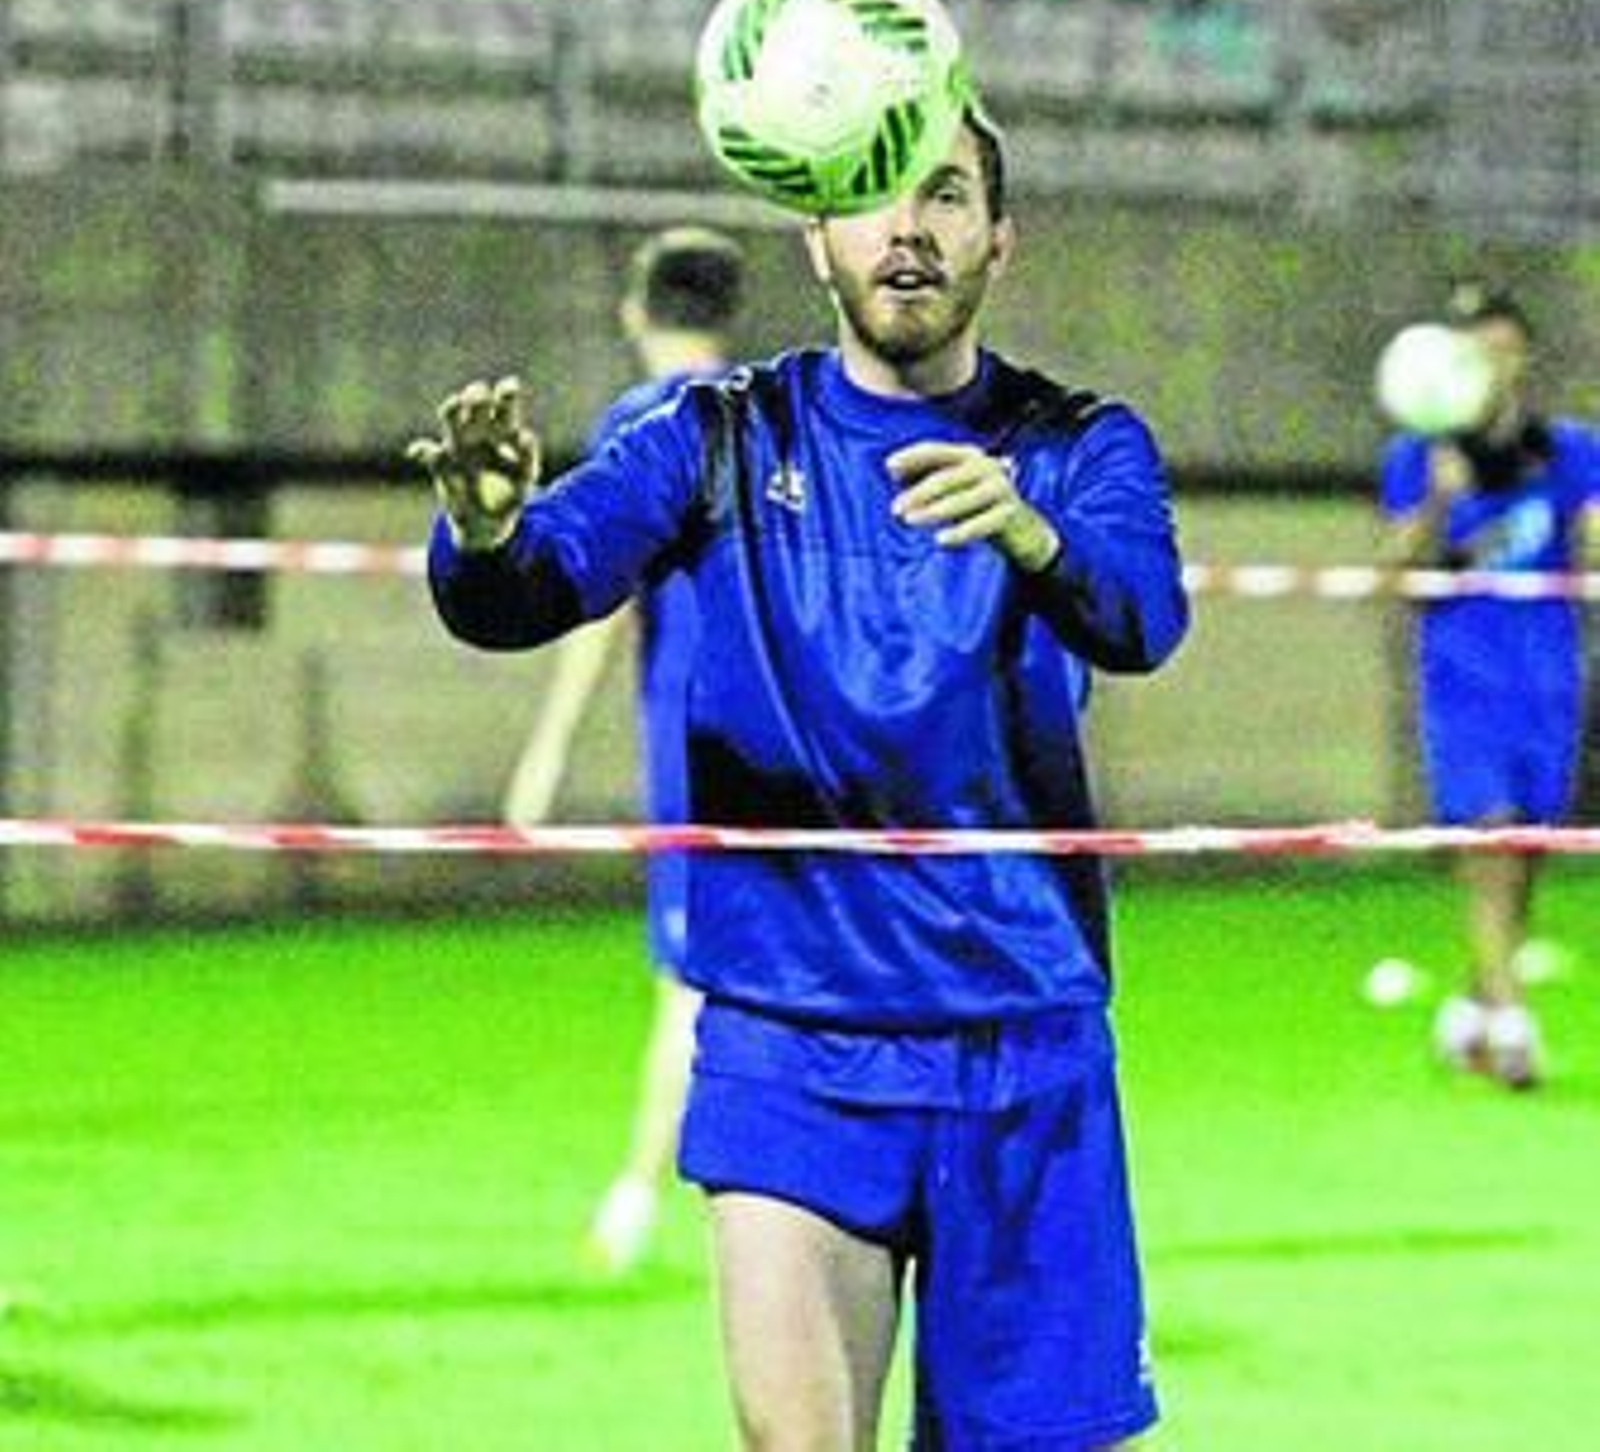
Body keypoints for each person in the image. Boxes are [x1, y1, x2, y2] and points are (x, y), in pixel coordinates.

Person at [410, 99, 1188, 1451]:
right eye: (877, 200)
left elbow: (1142, 617)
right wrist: (483, 539)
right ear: (818, 236)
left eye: (946, 197)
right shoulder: (710, 436)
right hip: (792, 1040)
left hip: (1025, 1041)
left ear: (1000, 241)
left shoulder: (1081, 444)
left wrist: (1033, 536)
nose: (910, 230)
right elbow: (536, 586)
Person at [502, 226, 742, 1275]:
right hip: (807, 746)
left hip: (695, 750)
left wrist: (544, 753)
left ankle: (639, 1195)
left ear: (635, 311)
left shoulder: (643, 425)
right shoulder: (781, 415)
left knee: (691, 988)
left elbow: (599, 602)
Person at [1379, 282, 1600, 1090]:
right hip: (1463, 673)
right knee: (1491, 835)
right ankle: (1510, 1023)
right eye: (1479, 350)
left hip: (1550, 673)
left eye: (1506, 349)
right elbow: (1398, 571)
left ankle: (1472, 1009)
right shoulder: (1420, 454)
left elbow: (1593, 543)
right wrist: (1440, 498)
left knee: (1528, 850)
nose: (1495, 367)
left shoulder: (1569, 449)